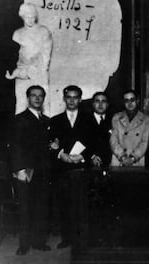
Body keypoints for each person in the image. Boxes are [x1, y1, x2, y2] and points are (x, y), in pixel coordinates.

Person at [9, 85, 56, 255]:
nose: (37, 98)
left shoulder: (47, 121)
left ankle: (39, 242)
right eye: (33, 95)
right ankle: (24, 244)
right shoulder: (19, 119)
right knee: (25, 208)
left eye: (40, 96)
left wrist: (53, 147)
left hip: (43, 171)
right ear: (27, 98)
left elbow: (44, 147)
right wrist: (19, 170)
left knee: (41, 208)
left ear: (43, 99)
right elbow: (15, 147)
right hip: (26, 170)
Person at [50, 85, 91, 249]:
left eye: (75, 97)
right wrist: (62, 154)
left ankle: (82, 239)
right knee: (65, 204)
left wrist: (83, 156)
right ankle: (67, 238)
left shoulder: (89, 119)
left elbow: (94, 142)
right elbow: (51, 144)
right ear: (64, 99)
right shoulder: (55, 120)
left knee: (82, 204)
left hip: (82, 167)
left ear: (80, 99)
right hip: (63, 168)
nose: (72, 100)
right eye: (69, 97)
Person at [5, 3, 52, 115]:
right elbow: (14, 56)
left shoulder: (43, 31)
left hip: (39, 72)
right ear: (22, 16)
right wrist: (20, 73)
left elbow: (46, 55)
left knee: (43, 104)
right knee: (21, 104)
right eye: (27, 17)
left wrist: (36, 71)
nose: (30, 20)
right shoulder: (17, 34)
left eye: (33, 17)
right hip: (22, 74)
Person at [110, 90, 149, 167]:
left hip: (137, 161)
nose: (130, 103)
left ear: (137, 101)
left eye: (132, 100)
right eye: (126, 101)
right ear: (123, 102)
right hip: (119, 160)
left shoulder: (145, 119)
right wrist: (122, 156)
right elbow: (113, 140)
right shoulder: (116, 117)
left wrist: (133, 158)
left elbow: (145, 142)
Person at [88, 92, 112, 167]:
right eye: (97, 101)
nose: (100, 104)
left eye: (103, 101)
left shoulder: (114, 120)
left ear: (108, 104)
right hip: (89, 163)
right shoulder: (84, 120)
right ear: (92, 104)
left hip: (110, 164)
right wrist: (91, 156)